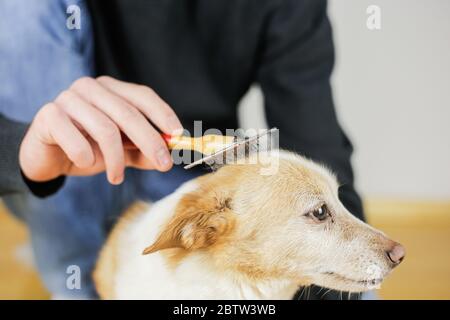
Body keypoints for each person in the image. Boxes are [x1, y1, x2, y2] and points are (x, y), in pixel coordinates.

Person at [0, 0, 364, 299]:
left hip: (194, 184)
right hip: (60, 189)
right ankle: (73, 278)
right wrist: (20, 147)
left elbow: (315, 143)